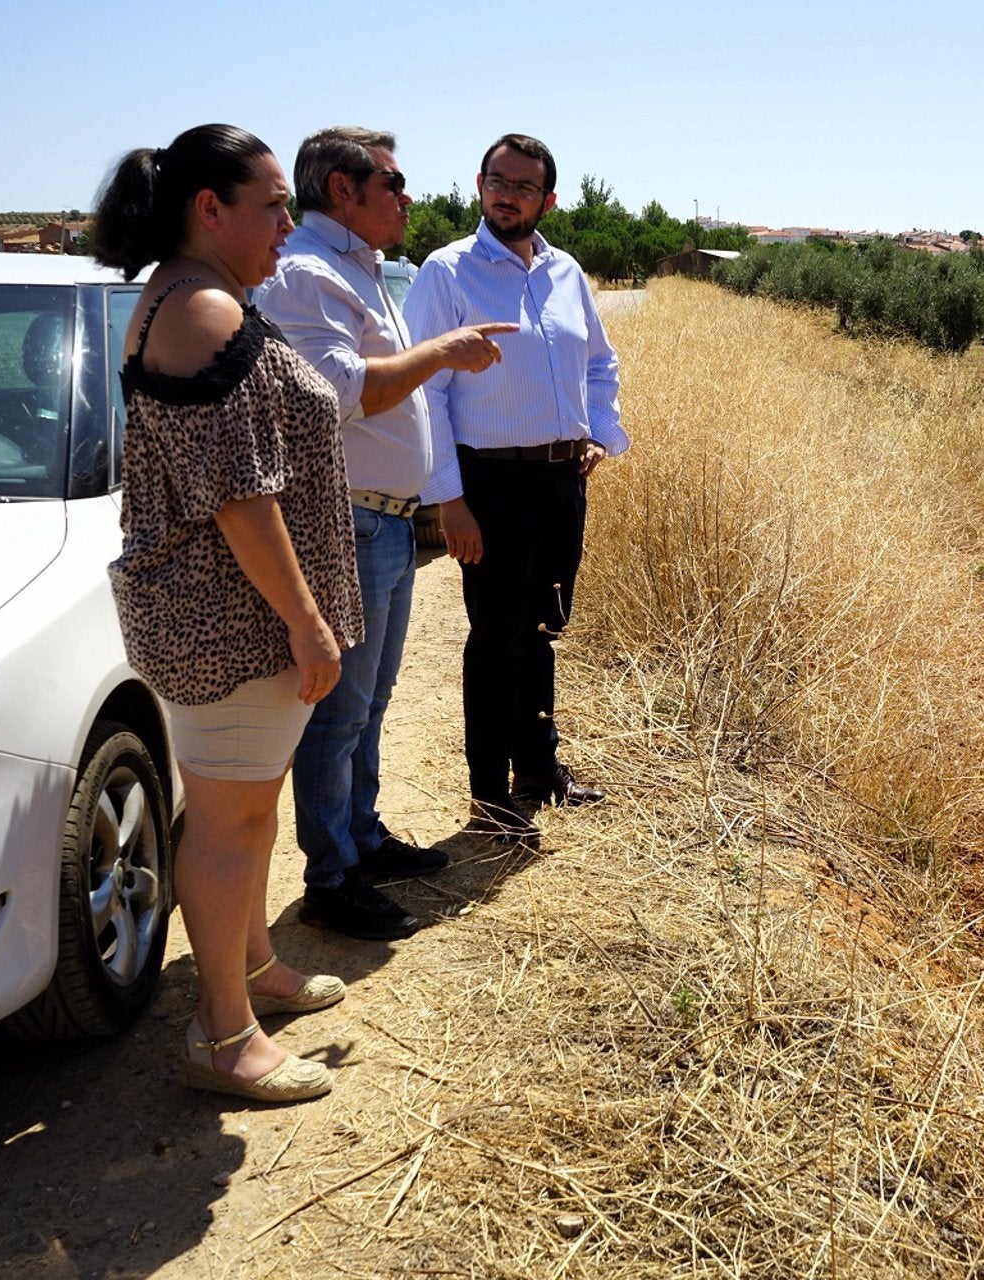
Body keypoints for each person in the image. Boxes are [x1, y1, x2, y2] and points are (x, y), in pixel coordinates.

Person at [92, 124, 356, 1104]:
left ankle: (253, 969)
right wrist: (307, 618)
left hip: (236, 619)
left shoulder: (201, 295)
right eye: (275, 205)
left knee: (248, 803)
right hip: (228, 621)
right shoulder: (198, 310)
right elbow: (240, 497)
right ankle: (223, 1032)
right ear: (211, 207)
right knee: (229, 820)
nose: (291, 222)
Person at [255, 127, 517, 939]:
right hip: (353, 521)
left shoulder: (354, 268)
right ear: (342, 189)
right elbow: (337, 393)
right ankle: (332, 874)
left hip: (386, 523)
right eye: (393, 185)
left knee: (371, 702)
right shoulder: (305, 274)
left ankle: (360, 838)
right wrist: (443, 351)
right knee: (341, 712)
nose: (407, 199)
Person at [403, 134, 627, 843]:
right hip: (490, 484)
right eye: (497, 181)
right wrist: (451, 500)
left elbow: (599, 361)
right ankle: (489, 796)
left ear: (547, 199)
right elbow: (425, 394)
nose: (508, 194)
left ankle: (538, 769)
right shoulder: (449, 273)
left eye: (524, 186)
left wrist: (598, 432)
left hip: (563, 479)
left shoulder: (565, 271)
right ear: (478, 186)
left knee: (541, 628)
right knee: (494, 638)